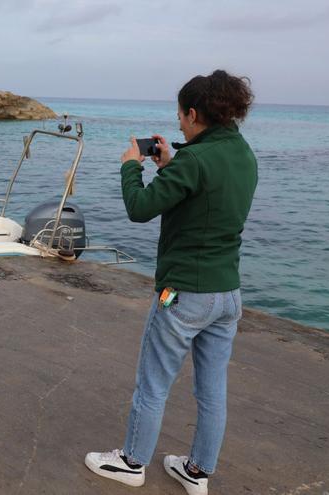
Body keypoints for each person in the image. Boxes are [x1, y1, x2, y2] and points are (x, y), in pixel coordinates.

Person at [84, 70, 257, 495]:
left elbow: (140, 207)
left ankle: (131, 463)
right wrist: (169, 165)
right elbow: (203, 191)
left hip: (185, 294)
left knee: (153, 383)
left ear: (194, 114)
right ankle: (197, 472)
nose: (178, 123)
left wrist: (131, 167)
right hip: (227, 294)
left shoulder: (195, 161)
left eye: (180, 116)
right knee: (212, 389)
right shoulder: (242, 153)